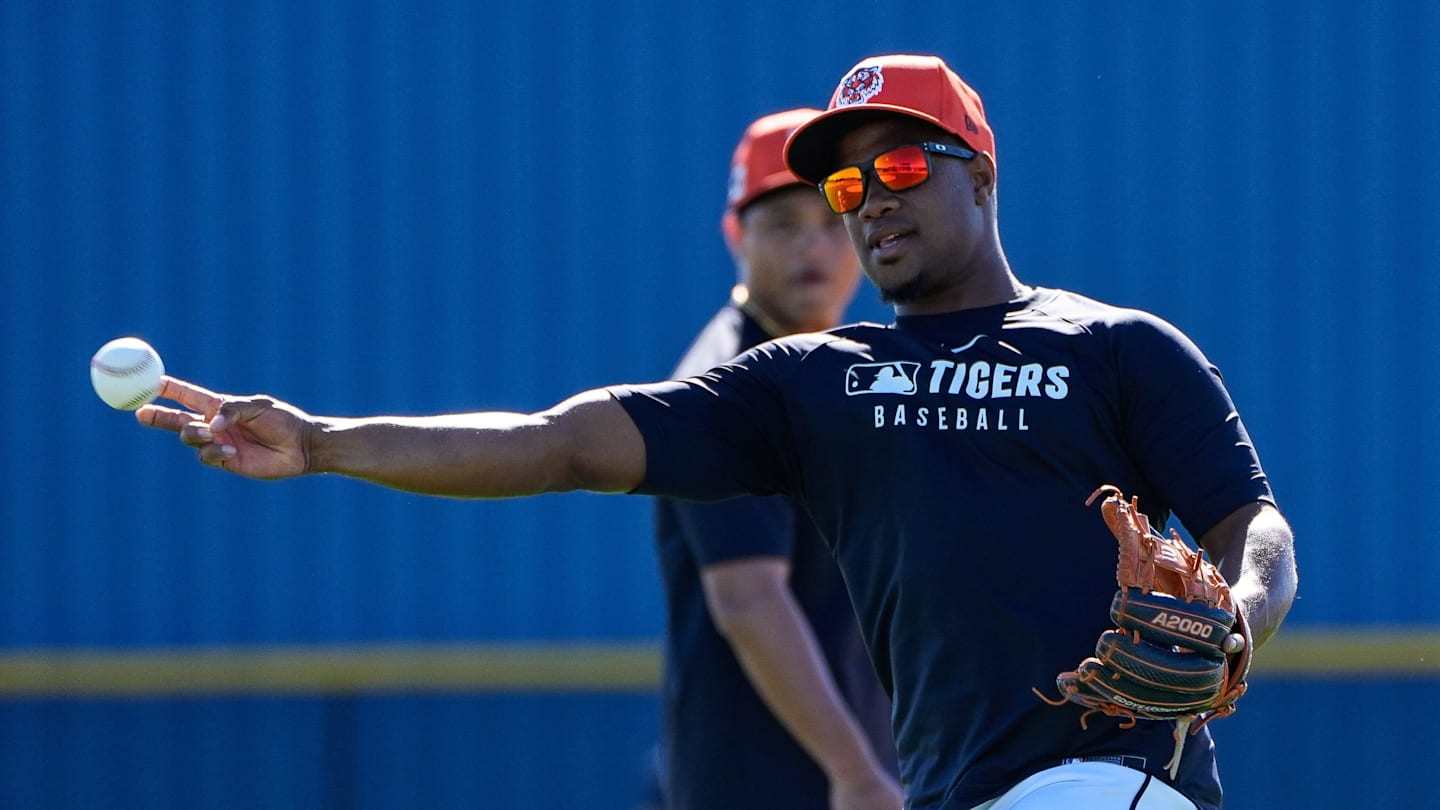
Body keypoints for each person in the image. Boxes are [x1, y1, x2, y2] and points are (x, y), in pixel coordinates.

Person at [134, 54, 1297, 810]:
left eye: (896, 164)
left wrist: (1238, 619)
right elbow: (562, 442)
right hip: (947, 791)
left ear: (980, 176)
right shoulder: (805, 381)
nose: (870, 200)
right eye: (848, 187)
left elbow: (1260, 527)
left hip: (1111, 777)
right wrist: (327, 439)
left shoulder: (1120, 349)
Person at [639, 109, 897, 810]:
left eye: (830, 217)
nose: (813, 246)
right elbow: (748, 598)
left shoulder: (830, 371)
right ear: (736, 236)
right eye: (783, 223)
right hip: (772, 782)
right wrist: (857, 772)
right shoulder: (726, 385)